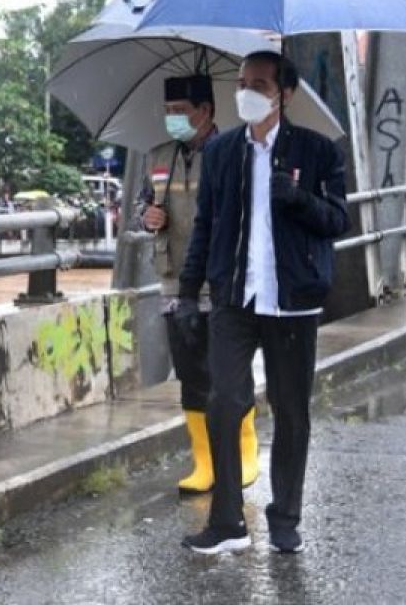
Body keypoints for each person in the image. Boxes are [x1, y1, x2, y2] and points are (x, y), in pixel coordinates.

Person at [179, 51, 348, 555]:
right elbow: (206, 224)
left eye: (259, 84)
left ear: (285, 94)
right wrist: (189, 292)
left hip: (292, 301)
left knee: (291, 411)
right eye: (242, 82)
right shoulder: (223, 151)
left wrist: (298, 199)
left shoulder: (319, 152)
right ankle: (228, 521)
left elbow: (339, 221)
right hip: (235, 296)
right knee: (224, 402)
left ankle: (285, 517)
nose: (246, 92)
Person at [137, 75, 258, 496]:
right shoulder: (158, 157)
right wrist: (147, 217)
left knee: (227, 372)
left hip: (222, 280)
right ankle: (204, 462)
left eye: (180, 112)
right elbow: (141, 205)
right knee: (191, 372)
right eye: (168, 112)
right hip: (174, 282)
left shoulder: (235, 152)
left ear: (205, 111)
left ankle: (244, 452)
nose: (172, 120)